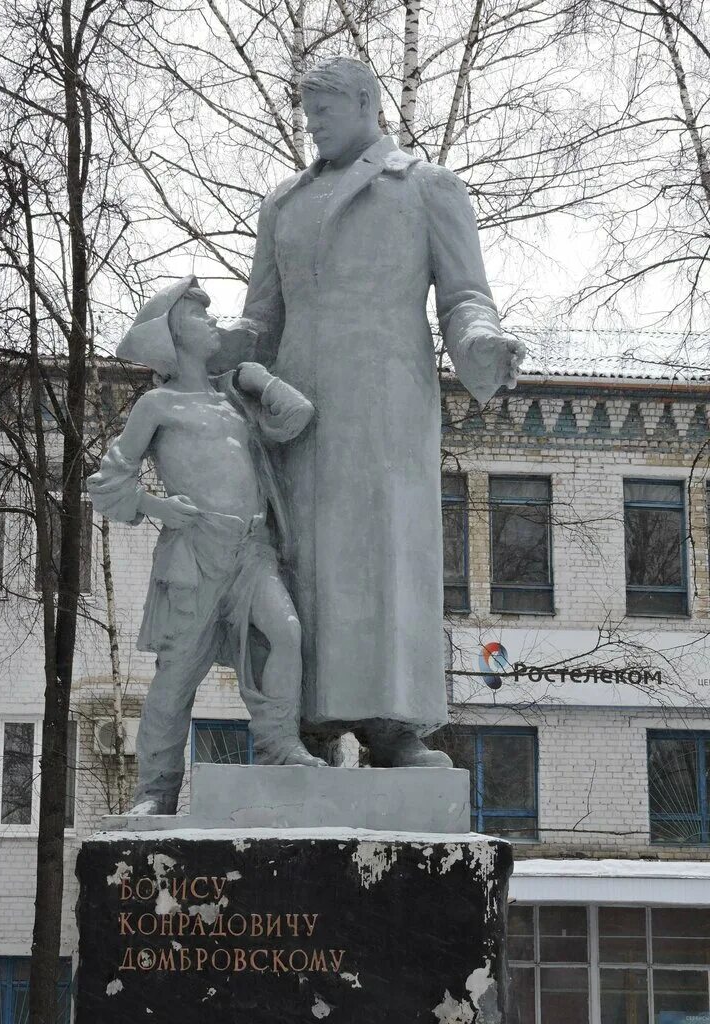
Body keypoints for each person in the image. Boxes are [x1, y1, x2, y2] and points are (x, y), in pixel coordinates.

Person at [242, 57, 525, 766]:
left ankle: (393, 726)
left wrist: (481, 343)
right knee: (305, 558)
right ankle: (304, 722)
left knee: (388, 557)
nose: (314, 129)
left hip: (388, 402)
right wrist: (208, 354)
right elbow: (260, 322)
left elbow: (465, 296)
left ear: (367, 103)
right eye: (308, 118)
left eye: (325, 114)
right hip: (301, 405)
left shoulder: (426, 188)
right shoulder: (283, 204)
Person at [88, 276, 325, 815]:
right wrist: (158, 508)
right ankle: (156, 791)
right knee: (179, 674)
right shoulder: (157, 404)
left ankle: (280, 747)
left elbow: (298, 417)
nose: (211, 321)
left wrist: (258, 378)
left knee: (285, 633)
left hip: (250, 549)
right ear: (173, 334)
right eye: (198, 315)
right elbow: (106, 485)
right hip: (194, 553)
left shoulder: (233, 401)